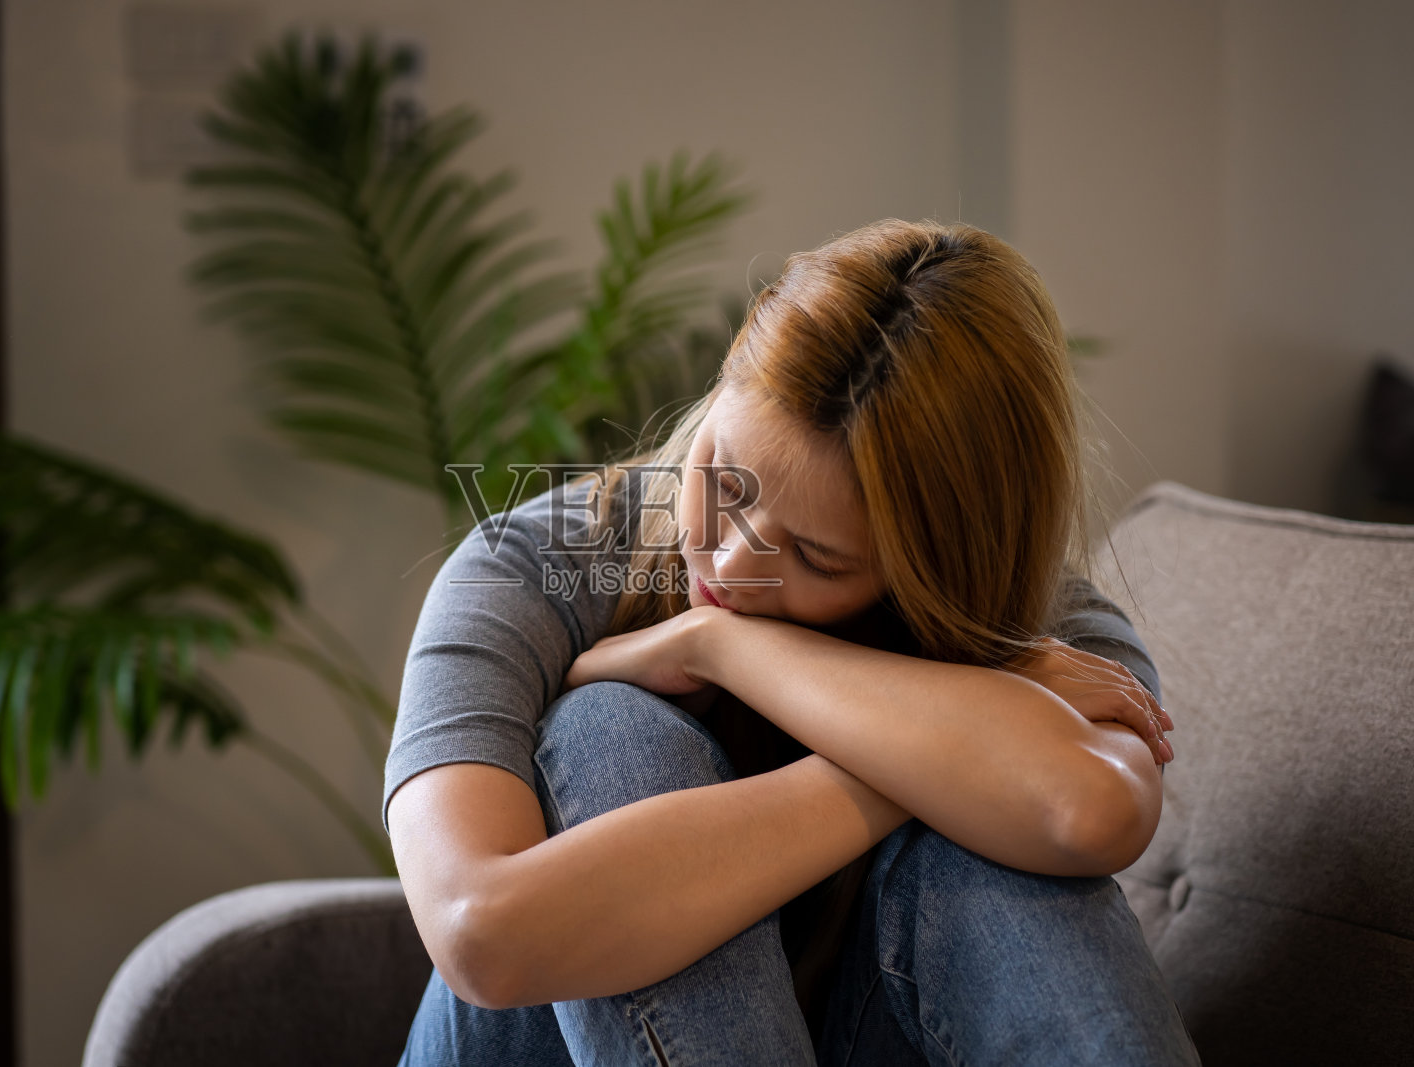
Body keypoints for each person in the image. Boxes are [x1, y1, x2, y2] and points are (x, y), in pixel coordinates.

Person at [383, 218, 1202, 1065]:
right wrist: (949, 744)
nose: (731, 562)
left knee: (994, 855)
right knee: (610, 726)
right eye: (723, 479)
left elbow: (1090, 812)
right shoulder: (534, 563)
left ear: (924, 566)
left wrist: (718, 647)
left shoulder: (1030, 620)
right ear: (720, 386)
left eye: (817, 555)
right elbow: (479, 930)